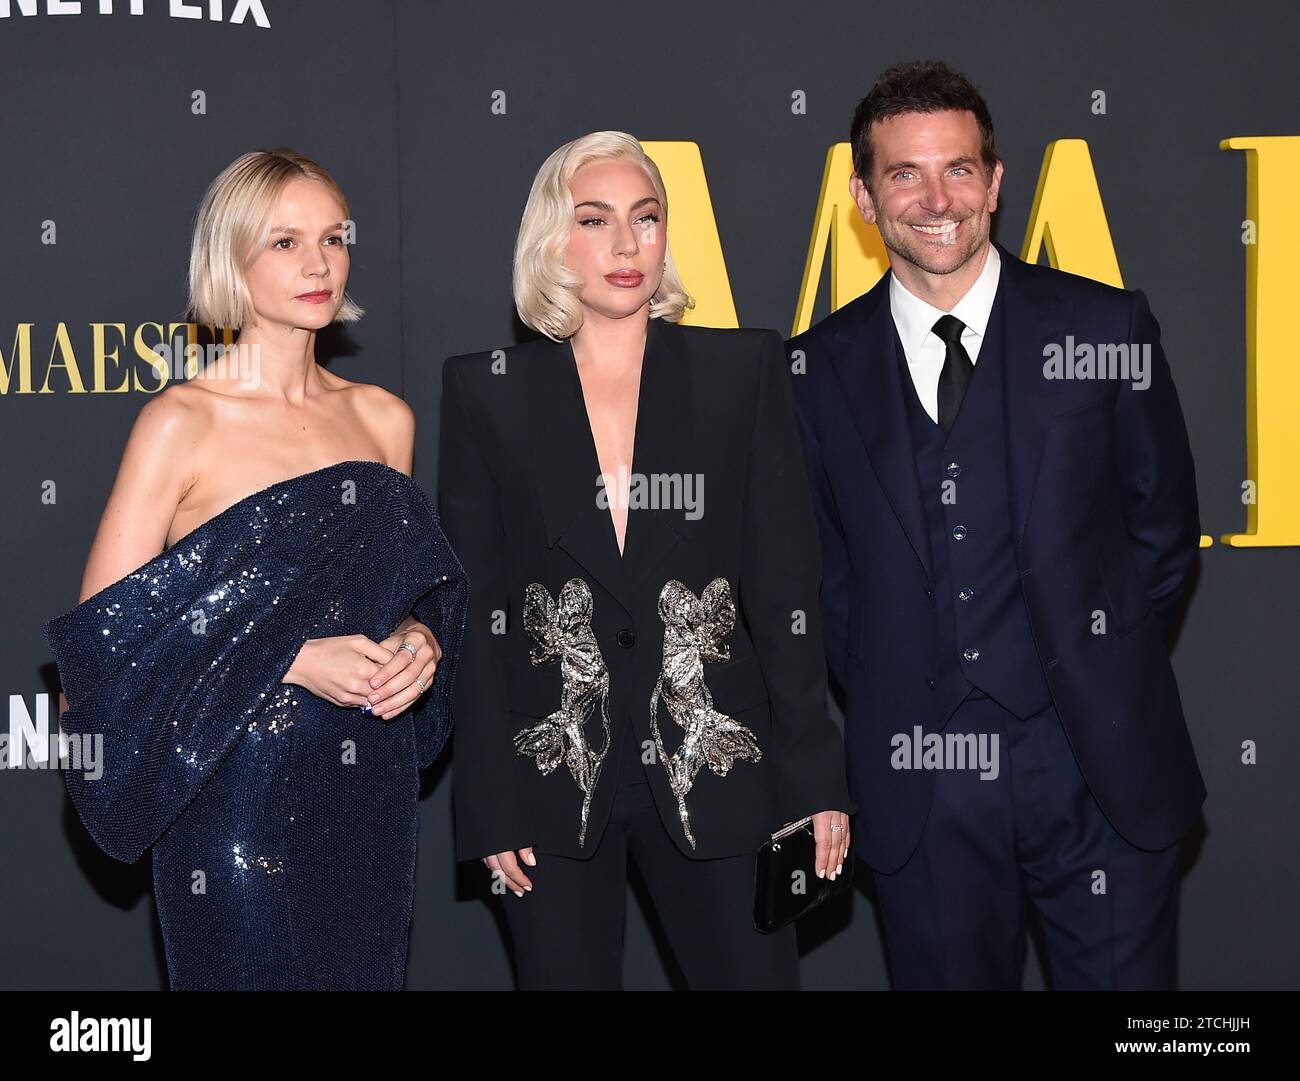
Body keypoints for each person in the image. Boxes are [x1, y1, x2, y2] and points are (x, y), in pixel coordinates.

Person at [788, 61, 1205, 990]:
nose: (937, 200)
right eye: (904, 174)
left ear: (995, 182)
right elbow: (820, 578)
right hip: (921, 784)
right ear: (863, 195)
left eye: (960, 170)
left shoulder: (1106, 327)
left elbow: (1164, 532)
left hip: (1098, 772)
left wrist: (1093, 656)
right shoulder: (814, 373)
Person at [43, 148, 467, 990]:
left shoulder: (385, 420)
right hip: (234, 804)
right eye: (283, 242)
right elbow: (98, 665)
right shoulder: (182, 422)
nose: (318, 263)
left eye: (333, 238)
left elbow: (406, 593)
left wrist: (420, 637)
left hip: (368, 803)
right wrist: (294, 658)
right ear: (231, 258)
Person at [440, 131, 853, 990]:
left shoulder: (742, 371)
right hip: (553, 778)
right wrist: (487, 797)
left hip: (720, 769)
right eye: (595, 220)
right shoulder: (489, 391)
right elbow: (475, 609)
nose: (627, 246)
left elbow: (785, 591)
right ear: (552, 239)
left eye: (646, 217)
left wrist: (817, 777)